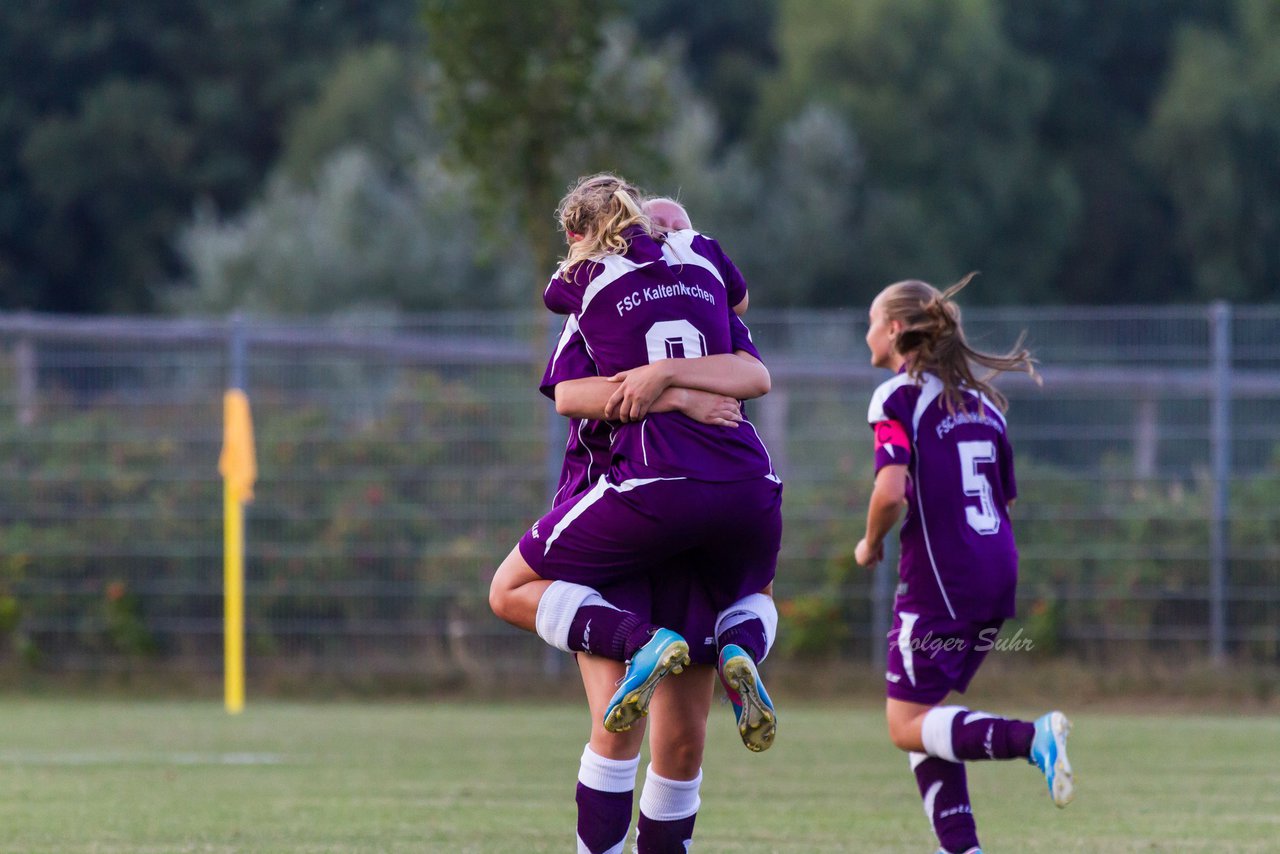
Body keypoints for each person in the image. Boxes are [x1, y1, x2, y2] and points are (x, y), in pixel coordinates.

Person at [489, 173, 783, 853]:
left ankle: (683, 647)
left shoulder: (659, 295)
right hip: (652, 497)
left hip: (651, 499)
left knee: (678, 741)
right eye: (657, 225)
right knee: (627, 723)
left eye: (675, 227)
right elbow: (578, 393)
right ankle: (741, 643)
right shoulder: (673, 298)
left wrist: (667, 383)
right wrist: (674, 391)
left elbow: (747, 374)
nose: (667, 235)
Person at [853, 273, 1072, 854]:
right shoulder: (987, 407)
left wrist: (871, 542)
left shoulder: (897, 396)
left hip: (941, 581)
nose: (867, 333)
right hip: (996, 571)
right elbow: (1004, 501)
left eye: (873, 322)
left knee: (905, 726)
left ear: (895, 330)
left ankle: (1033, 739)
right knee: (926, 718)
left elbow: (891, 488)